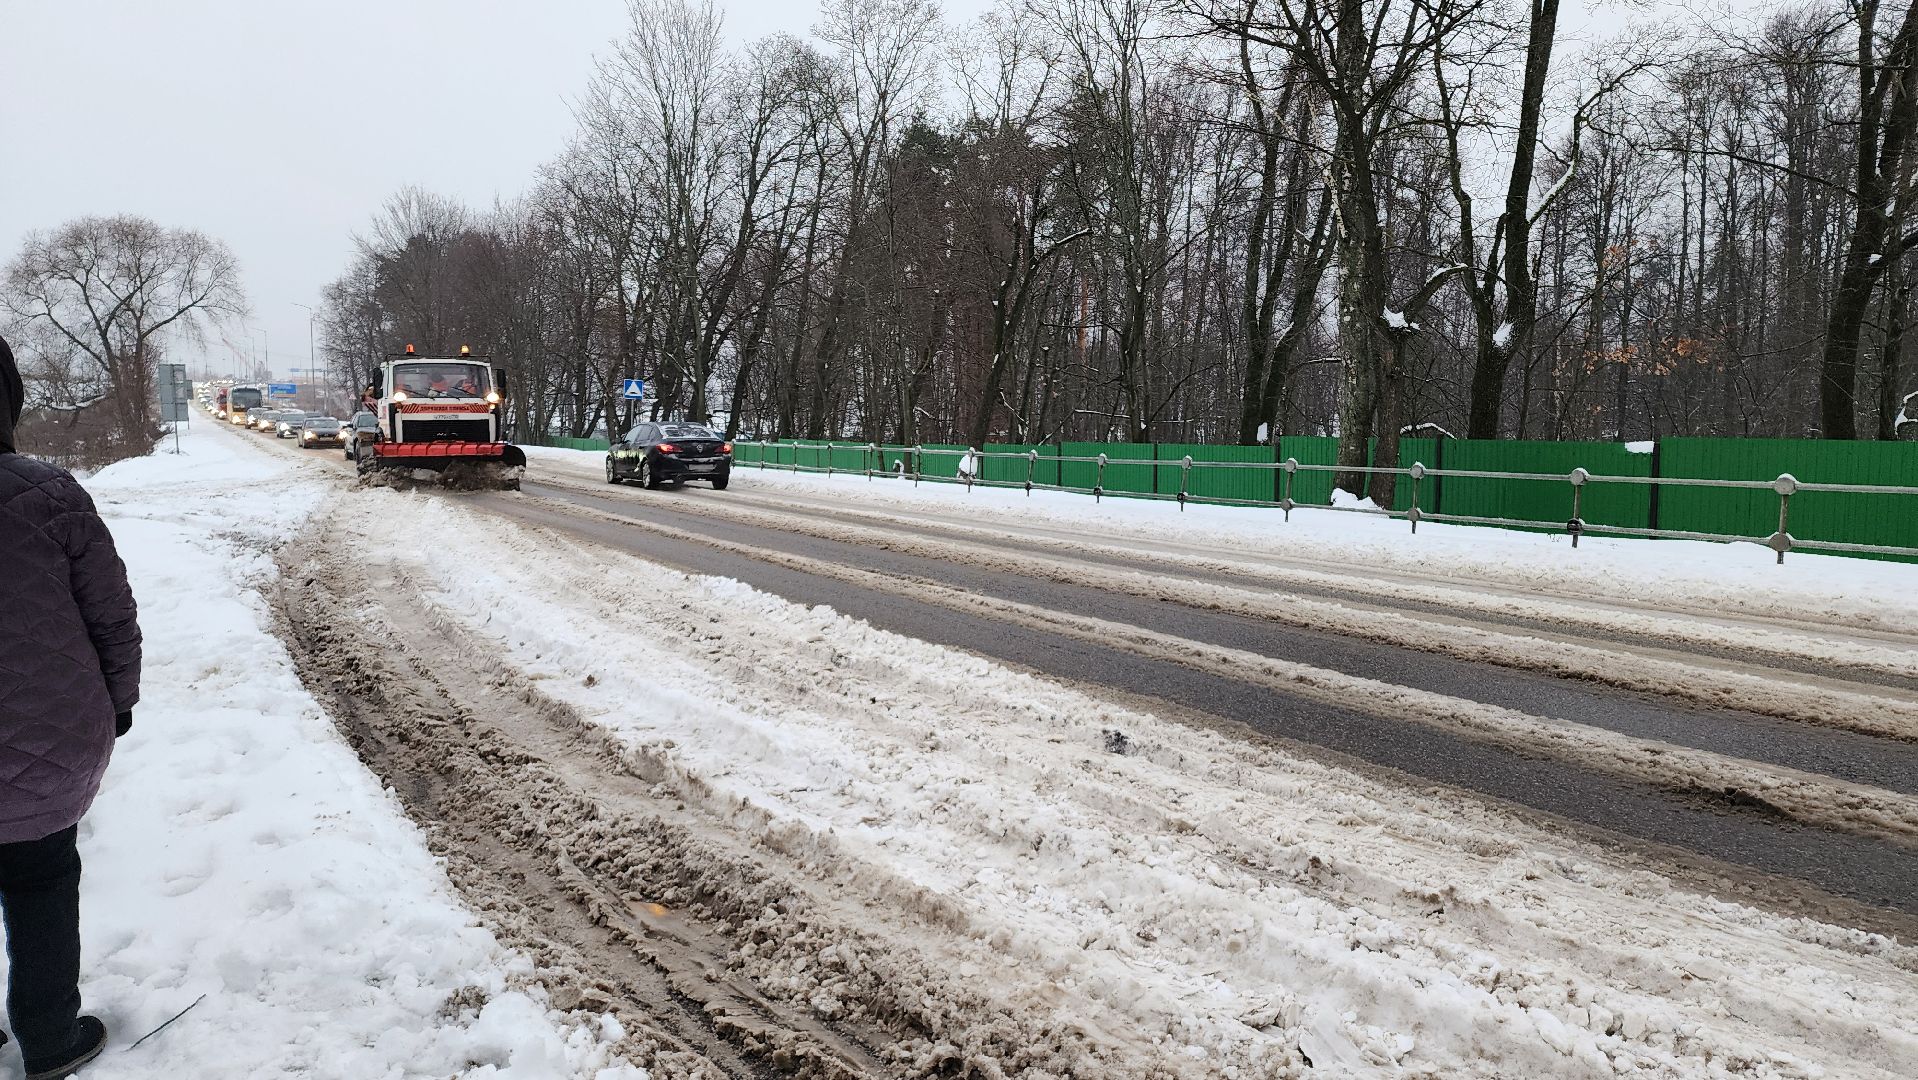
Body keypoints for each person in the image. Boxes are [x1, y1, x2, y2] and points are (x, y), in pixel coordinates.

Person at [0, 335, 137, 1079]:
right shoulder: (51, 495)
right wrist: (119, 700)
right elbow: (109, 615)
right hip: (45, 745)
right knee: (43, 882)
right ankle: (49, 1037)